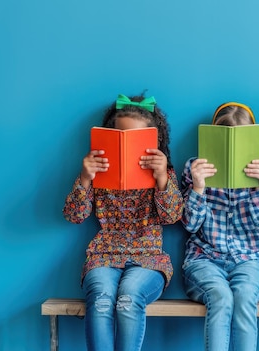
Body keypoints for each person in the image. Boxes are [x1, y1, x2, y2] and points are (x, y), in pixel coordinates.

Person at [62, 94, 183, 351]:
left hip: (148, 257)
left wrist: (161, 177)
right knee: (102, 299)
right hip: (104, 254)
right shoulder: (97, 172)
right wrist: (85, 178)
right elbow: (75, 216)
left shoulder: (163, 173)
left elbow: (172, 216)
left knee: (128, 298)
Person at [180, 102, 259, 351]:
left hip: (252, 258)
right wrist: (198, 188)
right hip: (203, 259)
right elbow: (190, 225)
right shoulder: (194, 169)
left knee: (244, 297)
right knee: (220, 297)